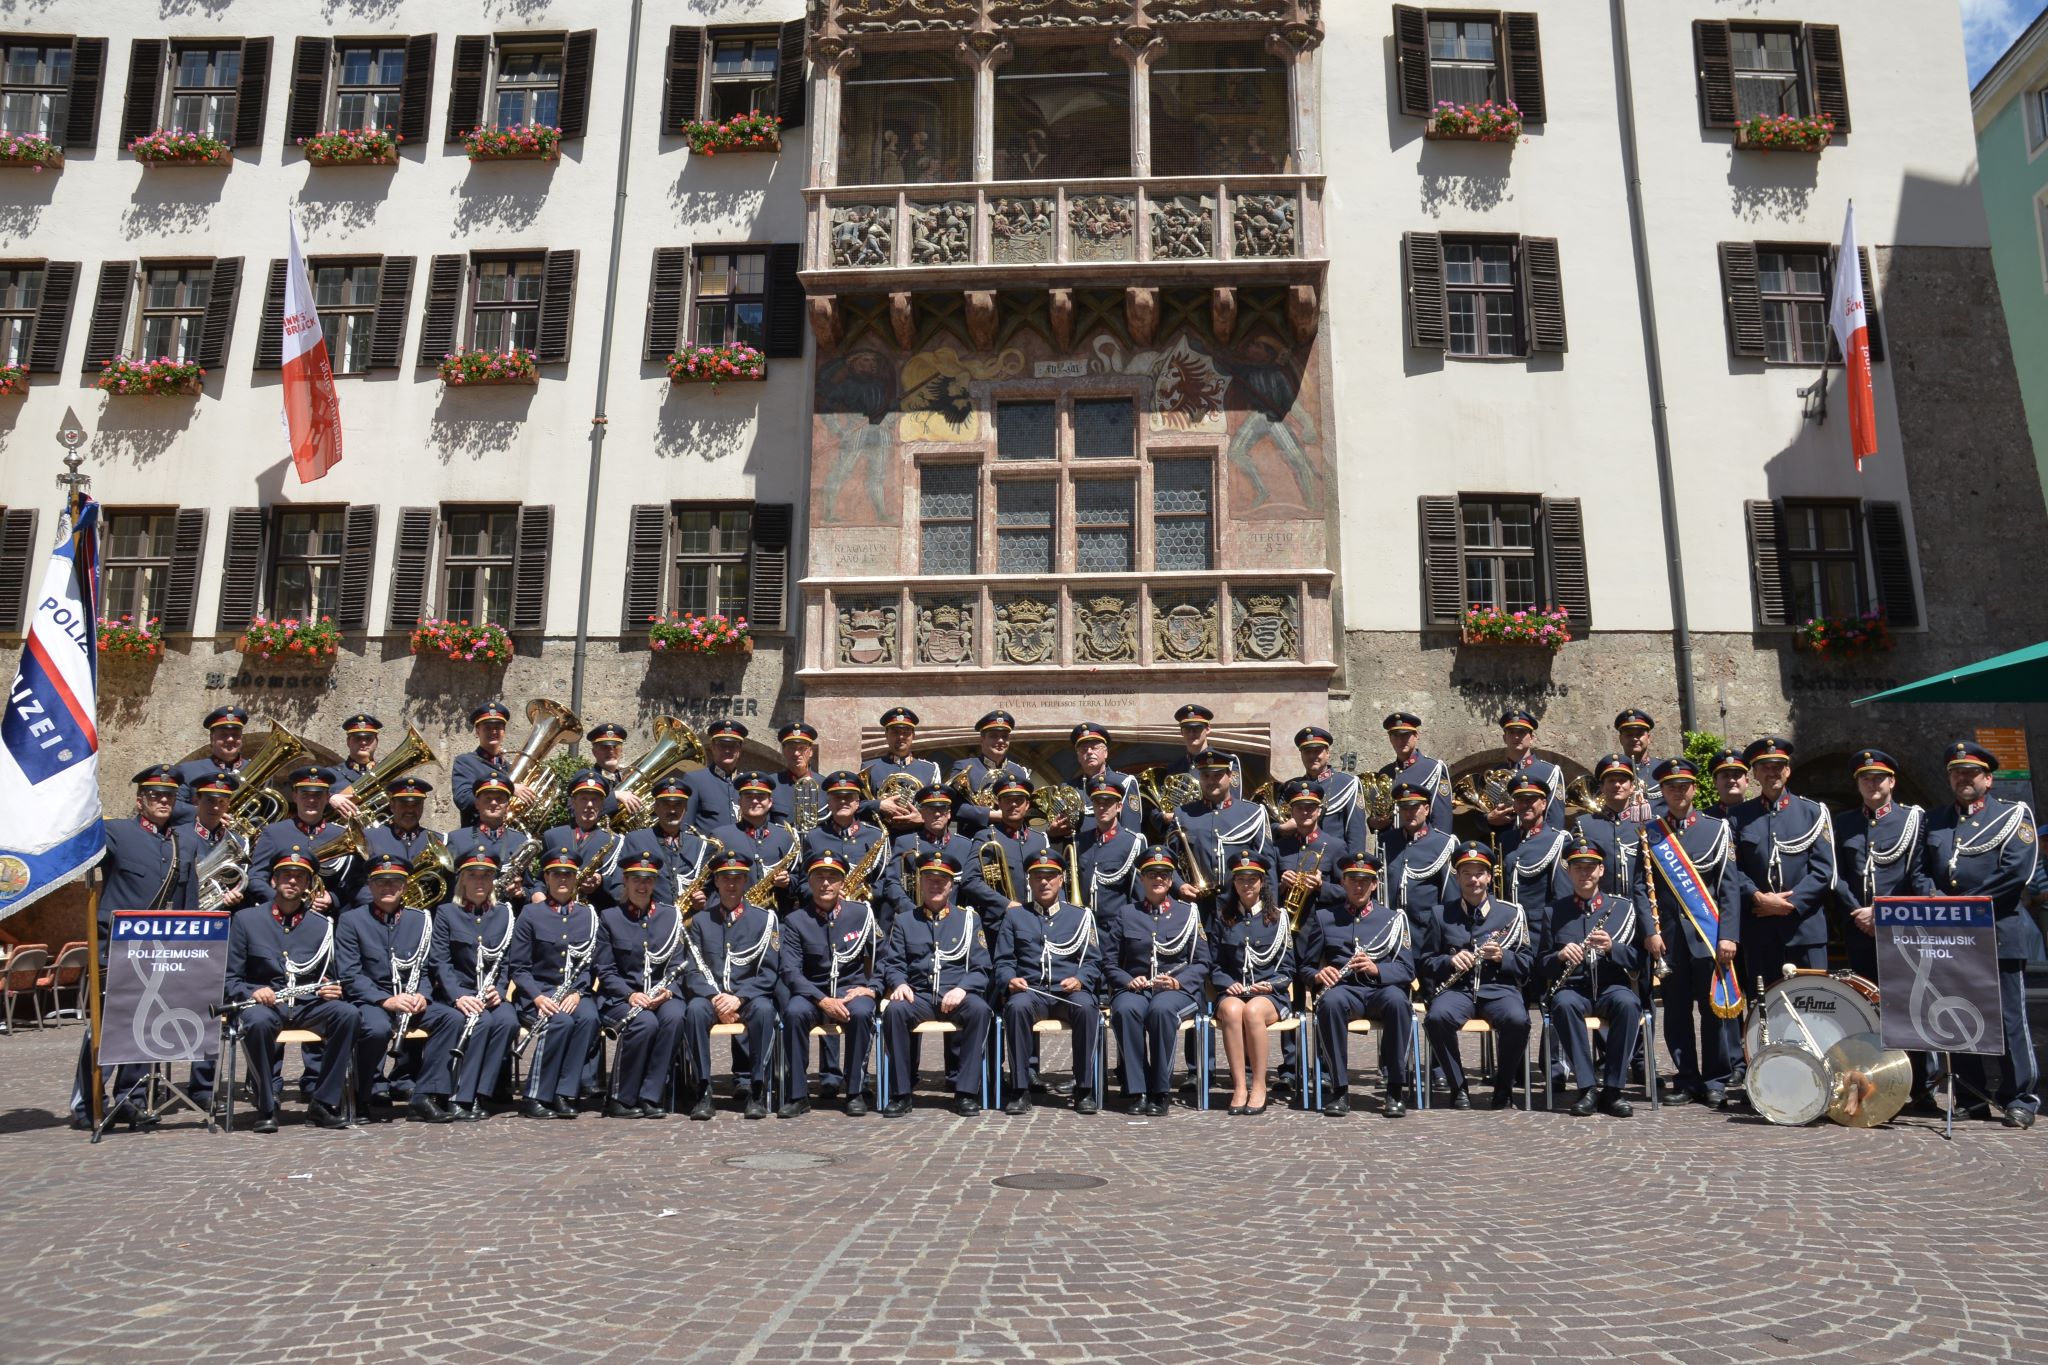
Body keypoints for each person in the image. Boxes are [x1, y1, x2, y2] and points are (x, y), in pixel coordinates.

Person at [70, 764, 197, 1130]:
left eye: (169, 796)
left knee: (148, 1024)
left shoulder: (183, 842)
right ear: (140, 801)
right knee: (107, 1025)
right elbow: (82, 851)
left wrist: (189, 946)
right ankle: (88, 1101)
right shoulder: (117, 833)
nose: (163, 801)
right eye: (155, 796)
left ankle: (132, 1098)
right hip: (117, 947)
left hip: (162, 950)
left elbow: (188, 901)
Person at [1922, 741, 2039, 1128]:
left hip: (1997, 932)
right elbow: (1920, 870)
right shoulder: (1935, 820)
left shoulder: (2012, 816)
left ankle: (2019, 1096)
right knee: (1958, 1016)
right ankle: (1971, 1096)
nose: (1963, 778)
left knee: (2008, 1020)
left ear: (1988, 779)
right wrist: (1932, 895)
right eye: (1957, 773)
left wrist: (1960, 906)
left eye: (1971, 773)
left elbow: (2015, 872)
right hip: (1950, 938)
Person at [223, 848, 358, 1132]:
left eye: (300, 877)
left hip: (309, 1004)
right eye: (286, 875)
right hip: (265, 1005)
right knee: (257, 1022)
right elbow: (230, 979)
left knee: (347, 1014)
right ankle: (266, 1104)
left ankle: (323, 1102)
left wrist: (331, 988)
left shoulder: (322, 925)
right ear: (274, 880)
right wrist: (252, 992)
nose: (292, 881)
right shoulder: (246, 920)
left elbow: (331, 975)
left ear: (308, 885)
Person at [1636, 757, 1743, 1108]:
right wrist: (1650, 931)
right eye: (1671, 787)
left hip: (1708, 935)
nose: (1677, 792)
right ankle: (1685, 1079)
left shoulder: (1716, 830)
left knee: (1714, 1012)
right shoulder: (1650, 833)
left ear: (1695, 789)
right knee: (1677, 1011)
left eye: (1683, 786)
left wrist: (1728, 935)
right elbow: (1641, 887)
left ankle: (1715, 1080)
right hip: (1668, 939)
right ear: (1663, 792)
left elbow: (1728, 889)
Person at [337, 854, 460, 1123]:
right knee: (376, 1028)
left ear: (404, 886)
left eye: (394, 882)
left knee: (451, 1018)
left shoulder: (421, 919)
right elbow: (350, 974)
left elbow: (426, 968)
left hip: (411, 998)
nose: (388, 887)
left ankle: (424, 1095)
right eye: (381, 882)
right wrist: (386, 1000)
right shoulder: (351, 920)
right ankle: (362, 1094)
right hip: (372, 1000)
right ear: (370, 886)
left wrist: (423, 995)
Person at [1302, 851, 1415, 1119]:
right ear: (1343, 882)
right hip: (1345, 990)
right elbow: (1305, 967)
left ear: (1374, 884)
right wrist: (1318, 975)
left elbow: (1408, 969)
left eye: (1365, 881)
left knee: (1399, 1003)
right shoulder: (1325, 917)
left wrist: (1378, 969)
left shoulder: (1392, 919)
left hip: (1380, 990)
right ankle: (1339, 1089)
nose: (1359, 886)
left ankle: (1394, 1089)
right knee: (1329, 1003)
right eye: (1353, 880)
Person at [1421, 841, 1534, 1110]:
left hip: (1498, 990)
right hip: (1457, 990)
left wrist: (1503, 957)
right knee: (1436, 1018)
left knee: (1518, 1020)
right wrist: (1449, 960)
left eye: (1479, 873)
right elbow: (1425, 962)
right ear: (1457, 877)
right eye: (1467, 873)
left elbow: (1528, 963)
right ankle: (1458, 1086)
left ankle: (1504, 1088)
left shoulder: (1511, 913)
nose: (1474, 880)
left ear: (1489, 877)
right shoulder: (1440, 914)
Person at [880, 852, 994, 1117]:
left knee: (980, 1010)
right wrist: (899, 984)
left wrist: (962, 988)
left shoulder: (969, 919)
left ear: (951, 886)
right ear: (920, 883)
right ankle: (901, 1093)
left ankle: (966, 1092)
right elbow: (893, 964)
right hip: (918, 996)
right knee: (894, 1011)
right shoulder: (905, 921)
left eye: (941, 881)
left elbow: (981, 967)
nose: (935, 885)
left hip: (957, 994)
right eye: (929, 879)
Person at [1542, 837, 1645, 1118]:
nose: (1584, 873)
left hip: (1612, 987)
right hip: (1574, 988)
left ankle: (1613, 1089)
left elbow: (1639, 960)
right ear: (1568, 871)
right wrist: (1560, 956)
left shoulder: (1623, 909)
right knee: (1563, 1005)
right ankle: (1586, 1088)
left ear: (1601, 870)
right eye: (1578, 867)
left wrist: (1613, 948)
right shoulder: (1554, 912)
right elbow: (1541, 964)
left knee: (1629, 1004)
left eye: (1590, 867)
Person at [1105, 847, 1212, 1116]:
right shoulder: (1126, 914)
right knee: (1126, 1010)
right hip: (1136, 988)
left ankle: (1160, 1090)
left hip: (1176, 991)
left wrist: (1178, 982)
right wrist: (1128, 979)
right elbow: (1109, 962)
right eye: (1151, 874)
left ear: (1171, 879)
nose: (1158, 879)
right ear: (1141, 878)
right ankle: (1137, 1089)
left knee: (1161, 1011)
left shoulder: (1188, 914)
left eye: (1164, 874)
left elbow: (1203, 962)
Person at [996, 849, 1102, 1114]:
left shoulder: (1080, 916)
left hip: (1068, 993)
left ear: (1061, 879)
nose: (1044, 882)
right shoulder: (1015, 916)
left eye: (1050, 876)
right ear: (1030, 881)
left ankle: (1084, 1088)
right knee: (1016, 1007)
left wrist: (1080, 979)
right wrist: (1010, 979)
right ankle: (1020, 1089)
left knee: (1087, 1008)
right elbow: (1003, 961)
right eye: (1038, 877)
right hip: (1031, 991)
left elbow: (1093, 961)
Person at [680, 851, 781, 1120]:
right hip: (711, 998)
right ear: (716, 881)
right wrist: (716, 998)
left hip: (749, 998)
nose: (731, 884)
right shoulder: (700, 921)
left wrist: (739, 998)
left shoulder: (764, 920)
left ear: (746, 881)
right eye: (725, 878)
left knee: (764, 1011)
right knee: (694, 1011)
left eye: (737, 878)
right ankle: (703, 1089)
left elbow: (769, 971)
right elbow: (693, 970)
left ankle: (756, 1089)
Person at [780, 851, 881, 1118]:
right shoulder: (795, 921)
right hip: (813, 993)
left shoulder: (862, 914)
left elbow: (883, 957)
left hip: (851, 990)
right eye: (819, 877)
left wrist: (872, 988)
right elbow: (790, 971)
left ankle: (855, 1091)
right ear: (810, 882)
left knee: (862, 1012)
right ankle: (797, 1094)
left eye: (832, 877)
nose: (826, 883)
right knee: (793, 1013)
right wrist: (822, 1000)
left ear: (842, 882)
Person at [1732, 736, 1836, 980]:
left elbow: (1824, 871)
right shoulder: (1738, 817)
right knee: (1766, 1000)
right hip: (1760, 931)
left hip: (1805, 930)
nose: (1772, 773)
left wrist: (1789, 903)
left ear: (1788, 771)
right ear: (1755, 774)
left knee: (1814, 998)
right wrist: (1758, 897)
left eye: (1778, 767)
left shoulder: (1813, 812)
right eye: (1765, 767)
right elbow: (1733, 869)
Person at [508, 848, 601, 1121]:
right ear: (546, 878)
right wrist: (538, 997)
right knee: (560, 1021)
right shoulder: (530, 914)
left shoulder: (587, 915)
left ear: (575, 879)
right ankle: (535, 1095)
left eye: (568, 875)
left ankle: (564, 1092)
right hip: (536, 995)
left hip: (573, 992)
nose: (562, 879)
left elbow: (590, 964)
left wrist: (578, 992)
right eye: (556, 874)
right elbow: (519, 968)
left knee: (589, 1017)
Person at [594, 850, 688, 1120]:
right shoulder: (610, 918)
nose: (642, 885)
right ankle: (620, 1097)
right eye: (636, 879)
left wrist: (669, 991)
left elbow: (678, 962)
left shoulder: (671, 916)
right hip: (620, 999)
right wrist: (630, 995)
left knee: (674, 1017)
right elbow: (606, 970)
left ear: (655, 882)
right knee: (644, 1023)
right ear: (625, 881)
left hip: (662, 995)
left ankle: (650, 1095)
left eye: (648, 879)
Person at [430, 851, 518, 1120]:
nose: (480, 881)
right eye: (473, 875)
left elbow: (507, 961)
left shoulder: (504, 914)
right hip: (459, 993)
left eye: (486, 876)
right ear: (462, 880)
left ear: (493, 881)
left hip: (490, 994)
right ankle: (460, 1096)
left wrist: (499, 991)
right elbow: (440, 961)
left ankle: (480, 1093)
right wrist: (458, 996)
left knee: (507, 1021)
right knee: (482, 1022)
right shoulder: (447, 913)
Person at [1208, 855, 1294, 1115]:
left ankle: (1258, 1084)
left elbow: (1288, 968)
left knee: (1253, 1010)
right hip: (1234, 991)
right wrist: (1228, 983)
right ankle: (1239, 1086)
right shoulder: (1223, 918)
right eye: (1241, 880)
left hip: (1269, 994)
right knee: (1233, 1010)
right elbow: (1214, 964)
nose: (1246, 885)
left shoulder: (1279, 918)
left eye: (1252, 879)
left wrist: (1270, 985)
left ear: (1261, 882)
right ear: (1233, 883)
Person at [885, 785, 1004, 925]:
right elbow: (892, 883)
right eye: (931, 809)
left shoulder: (966, 846)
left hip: (957, 922)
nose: (937, 814)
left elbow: (974, 884)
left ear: (949, 814)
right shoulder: (905, 843)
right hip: (917, 921)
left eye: (941, 809)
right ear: (922, 813)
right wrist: (911, 911)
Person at [246, 766, 358, 910]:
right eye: (305, 794)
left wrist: (333, 898)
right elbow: (256, 877)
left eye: (318, 795)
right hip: (279, 913)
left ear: (327, 798)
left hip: (326, 916)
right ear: (294, 796)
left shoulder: (342, 835)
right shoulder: (274, 832)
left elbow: (353, 881)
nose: (311, 800)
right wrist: (279, 899)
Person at [607, 774, 713, 913]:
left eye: (678, 804)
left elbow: (710, 891)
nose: (672, 810)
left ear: (686, 809)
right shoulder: (636, 840)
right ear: (656, 807)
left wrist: (702, 900)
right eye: (666, 804)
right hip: (646, 921)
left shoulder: (699, 845)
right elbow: (618, 888)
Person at [705, 772, 799, 912]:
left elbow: (799, 879)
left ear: (770, 802)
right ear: (739, 802)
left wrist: (788, 881)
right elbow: (708, 884)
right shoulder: (720, 837)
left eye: (761, 797)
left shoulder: (785, 837)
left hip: (776, 917)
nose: (755, 801)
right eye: (749, 796)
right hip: (730, 916)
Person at [800, 770, 891, 906]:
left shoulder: (876, 836)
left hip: (866, 909)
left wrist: (865, 893)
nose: (843, 801)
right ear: (829, 803)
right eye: (837, 797)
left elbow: (887, 878)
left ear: (857, 802)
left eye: (848, 797)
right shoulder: (813, 837)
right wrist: (823, 893)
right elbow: (803, 884)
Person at [1502, 774, 1571, 947]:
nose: (1525, 805)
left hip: (1540, 933)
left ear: (1544, 803)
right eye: (1520, 800)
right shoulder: (1506, 840)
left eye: (1531, 800)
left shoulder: (1558, 840)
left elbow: (1563, 895)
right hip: (1508, 931)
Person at [1387, 781, 1456, 952]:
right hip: (1391, 934)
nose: (1409, 813)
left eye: (1414, 808)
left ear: (1426, 809)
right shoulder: (1387, 841)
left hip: (1426, 935)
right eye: (1404, 808)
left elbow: (1451, 897)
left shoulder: (1443, 844)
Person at [537, 770, 622, 908]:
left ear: (602, 804)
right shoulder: (552, 836)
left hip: (595, 913)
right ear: (574, 802)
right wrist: (537, 893)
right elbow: (542, 878)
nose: (589, 805)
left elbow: (620, 887)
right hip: (554, 912)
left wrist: (601, 882)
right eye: (583, 799)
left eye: (595, 799)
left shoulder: (615, 841)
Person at [352, 775, 440, 907]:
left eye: (416, 804)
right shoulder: (369, 838)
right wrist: (382, 906)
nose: (410, 810)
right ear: (392, 805)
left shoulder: (436, 840)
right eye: (404, 804)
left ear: (422, 806)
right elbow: (355, 883)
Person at [1375, 712, 1453, 855]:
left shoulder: (1433, 768)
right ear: (1390, 739)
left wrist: (1438, 851)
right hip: (1393, 850)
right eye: (1395, 736)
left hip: (1425, 848)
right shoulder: (1385, 773)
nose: (1400, 740)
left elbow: (1442, 817)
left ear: (1416, 736)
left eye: (1405, 735)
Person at [450, 702, 535, 829]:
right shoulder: (466, 762)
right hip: (477, 834)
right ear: (477, 731)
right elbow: (463, 799)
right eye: (487, 728)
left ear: (504, 731)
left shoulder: (509, 768)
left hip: (510, 835)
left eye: (498, 727)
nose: (493, 731)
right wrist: (510, 790)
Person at [1076, 778, 1145, 933]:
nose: (1102, 807)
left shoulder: (1132, 842)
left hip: (1116, 930)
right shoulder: (1080, 842)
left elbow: (1138, 895)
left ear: (1119, 806)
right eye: (1097, 802)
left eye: (1108, 802)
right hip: (1084, 927)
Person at [948, 710, 1031, 838]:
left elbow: (1027, 808)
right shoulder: (964, 767)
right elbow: (952, 807)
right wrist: (990, 815)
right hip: (973, 838)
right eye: (993, 736)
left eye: (1005, 736)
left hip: (1011, 840)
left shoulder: (1018, 771)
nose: (1000, 740)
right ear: (982, 739)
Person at [860, 706, 942, 833]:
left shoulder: (930, 769)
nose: (901, 737)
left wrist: (922, 818)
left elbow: (940, 808)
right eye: (895, 732)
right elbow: (856, 806)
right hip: (881, 837)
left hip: (917, 837)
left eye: (906, 732)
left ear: (913, 736)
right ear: (886, 735)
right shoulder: (870, 767)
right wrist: (880, 805)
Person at [1062, 722, 1140, 838]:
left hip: (1113, 847)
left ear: (1106, 753)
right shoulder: (1068, 788)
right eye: (1084, 749)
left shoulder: (1125, 782)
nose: (1089, 752)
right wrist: (1052, 833)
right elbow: (1061, 830)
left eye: (1094, 748)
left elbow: (1131, 831)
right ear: (1078, 757)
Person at [443, 774, 530, 878]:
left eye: (499, 799)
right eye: (488, 798)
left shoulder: (520, 841)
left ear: (507, 806)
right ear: (477, 804)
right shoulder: (457, 839)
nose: (493, 803)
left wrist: (520, 887)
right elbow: (446, 882)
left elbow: (529, 884)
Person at [172, 706, 250, 820]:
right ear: (212, 738)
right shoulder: (188, 771)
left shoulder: (258, 769)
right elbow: (173, 805)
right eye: (223, 734)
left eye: (235, 734)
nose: (230, 739)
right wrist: (203, 812)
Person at [683, 720, 749, 835]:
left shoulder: (747, 783)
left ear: (740, 749)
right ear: (712, 747)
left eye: (733, 745)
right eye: (722, 745)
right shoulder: (695, 780)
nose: (727, 750)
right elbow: (685, 826)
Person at [325, 712, 382, 820]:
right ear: (348, 742)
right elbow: (308, 799)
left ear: (377, 742)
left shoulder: (388, 775)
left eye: (368, 738)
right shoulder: (330, 775)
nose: (363, 742)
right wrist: (330, 798)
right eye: (357, 738)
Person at [1612, 708, 1661, 821]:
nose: (1634, 739)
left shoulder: (1662, 770)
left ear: (1648, 738)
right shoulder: (1612, 773)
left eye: (1639, 734)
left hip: (1660, 830)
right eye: (1629, 735)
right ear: (1620, 739)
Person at [1704, 749, 1750, 821]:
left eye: (1736, 775)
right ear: (1715, 782)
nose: (1731, 780)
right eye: (1725, 776)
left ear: (1746, 781)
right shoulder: (1705, 818)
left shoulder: (1760, 815)